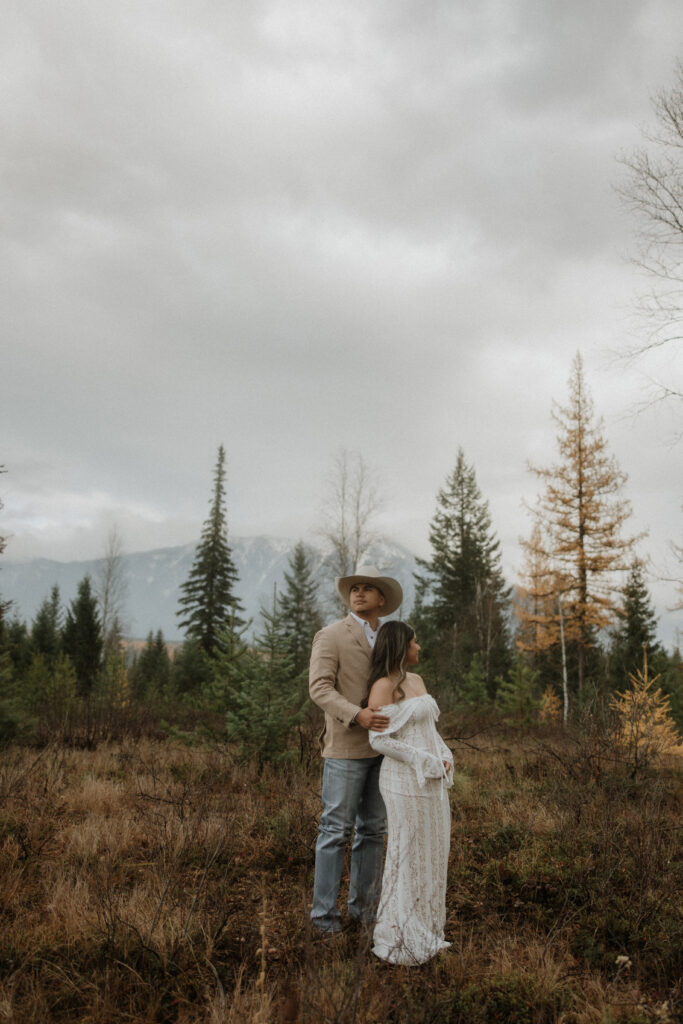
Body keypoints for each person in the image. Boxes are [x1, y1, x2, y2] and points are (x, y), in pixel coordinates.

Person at [309, 566, 404, 934]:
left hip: (383, 751)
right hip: (346, 750)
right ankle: (324, 920)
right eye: (355, 589)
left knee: (373, 832)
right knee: (335, 831)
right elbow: (319, 689)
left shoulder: (390, 638)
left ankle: (364, 914)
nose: (359, 594)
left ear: (382, 599)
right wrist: (356, 715)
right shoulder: (330, 636)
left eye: (368, 589)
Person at [367, 620, 453, 965]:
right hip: (403, 781)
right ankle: (399, 934)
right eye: (415, 643)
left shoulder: (416, 680)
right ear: (401, 646)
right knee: (407, 852)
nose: (419, 648)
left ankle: (428, 929)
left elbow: (429, 729)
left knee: (433, 849)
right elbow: (379, 739)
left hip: (431, 778)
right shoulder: (383, 687)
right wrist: (422, 760)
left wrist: (444, 755)